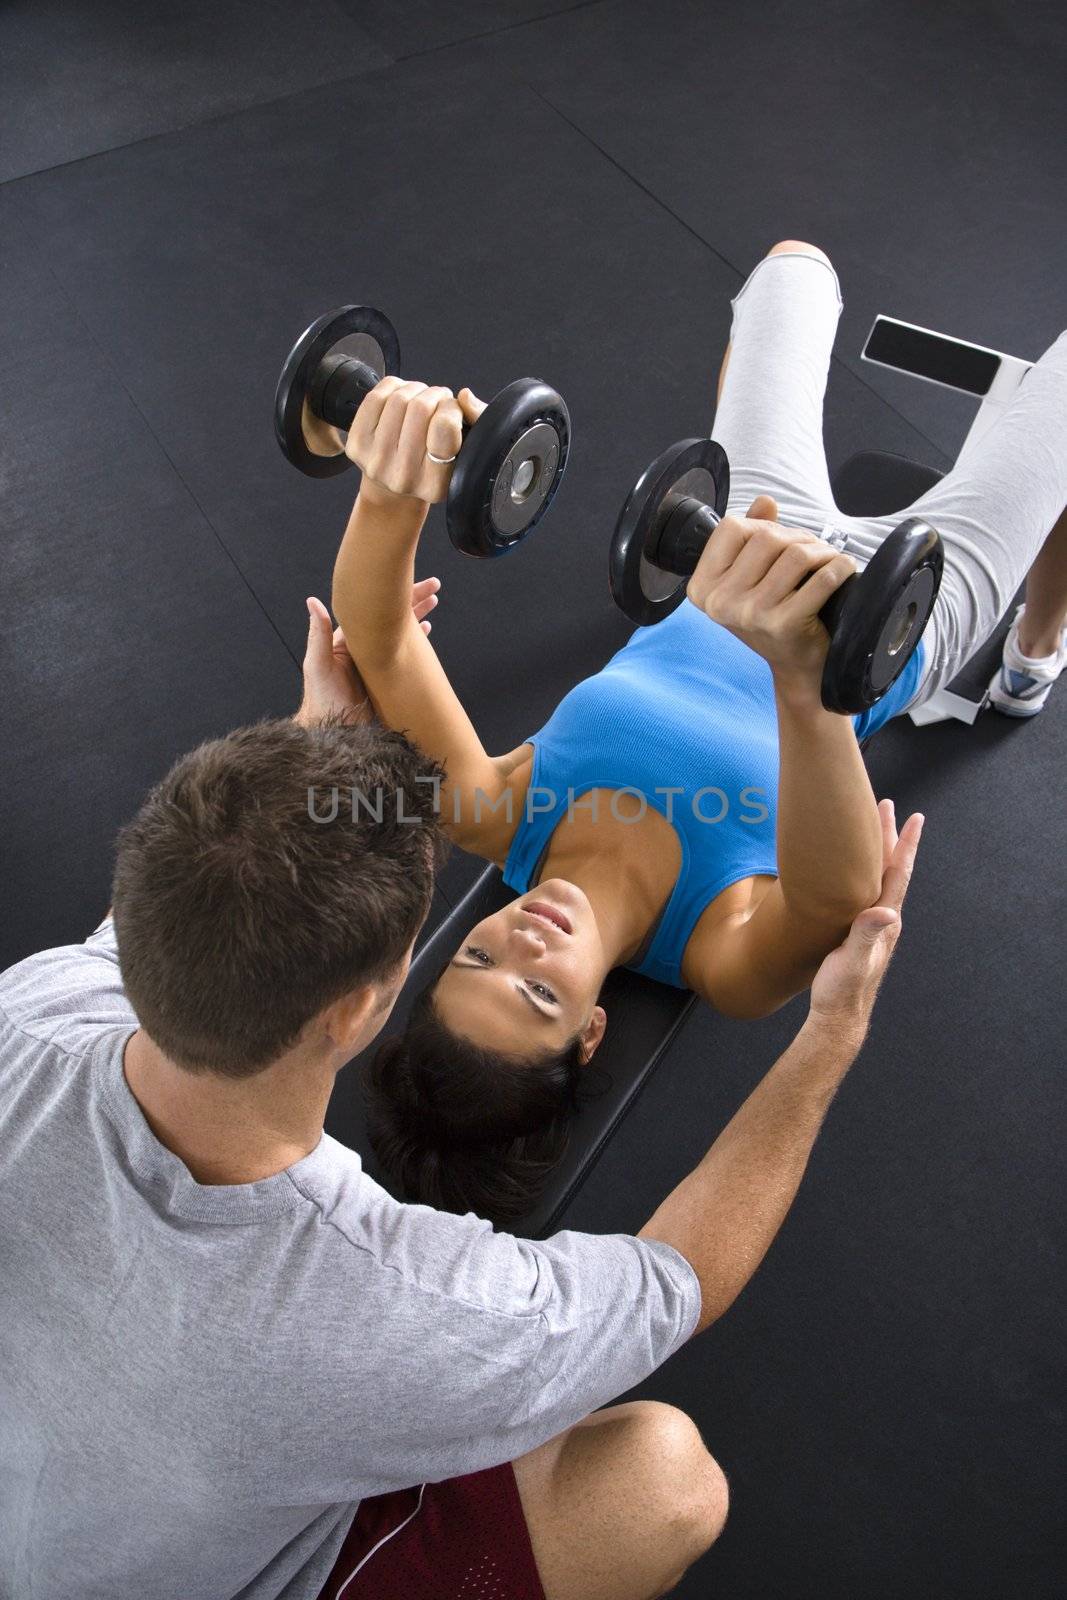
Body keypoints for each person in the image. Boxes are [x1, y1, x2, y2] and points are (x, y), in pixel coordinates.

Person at [0, 615, 920, 1598]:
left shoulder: (32, 1010)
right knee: (662, 1479)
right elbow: (676, 1281)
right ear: (362, 1008)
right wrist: (827, 1040)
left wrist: (321, 746)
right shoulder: (394, 1307)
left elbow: (139, 936)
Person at [332, 241, 1067, 1225]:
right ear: (590, 1031)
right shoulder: (718, 954)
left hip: (735, 542)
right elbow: (839, 895)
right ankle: (1032, 653)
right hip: (885, 631)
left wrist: (387, 480)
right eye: (537, 996)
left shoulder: (494, 816)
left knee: (789, 272)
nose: (519, 942)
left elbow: (377, 635)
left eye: (476, 958)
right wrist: (804, 686)